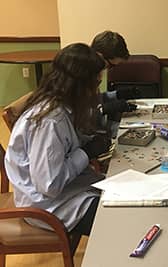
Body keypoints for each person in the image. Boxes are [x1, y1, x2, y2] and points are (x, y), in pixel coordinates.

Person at [4, 43, 111, 235]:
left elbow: (66, 143)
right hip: (48, 207)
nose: (95, 92)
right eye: (94, 84)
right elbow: (49, 185)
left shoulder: (62, 104)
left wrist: (89, 139)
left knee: (123, 202)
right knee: (119, 221)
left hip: (67, 192)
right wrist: (85, 153)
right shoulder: (50, 121)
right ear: (78, 85)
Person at [91, 30, 138, 138]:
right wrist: (104, 109)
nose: (107, 70)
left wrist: (117, 94)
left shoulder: (94, 72)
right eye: (110, 66)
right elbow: (78, 117)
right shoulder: (80, 75)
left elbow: (95, 99)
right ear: (100, 56)